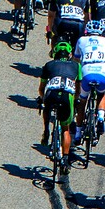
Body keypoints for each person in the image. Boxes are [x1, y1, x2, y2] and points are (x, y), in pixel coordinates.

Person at [38, 40, 81, 179]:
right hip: (67, 96)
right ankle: (65, 159)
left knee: (45, 105)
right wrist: (76, 99)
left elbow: (41, 88)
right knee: (65, 129)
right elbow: (79, 86)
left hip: (51, 94)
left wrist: (41, 98)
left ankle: (46, 130)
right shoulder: (76, 65)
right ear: (69, 54)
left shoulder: (49, 65)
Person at [73, 19, 105, 141]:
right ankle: (100, 116)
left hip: (87, 72)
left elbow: (75, 62)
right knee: (102, 94)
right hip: (102, 73)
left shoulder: (81, 40)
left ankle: (78, 133)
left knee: (82, 102)